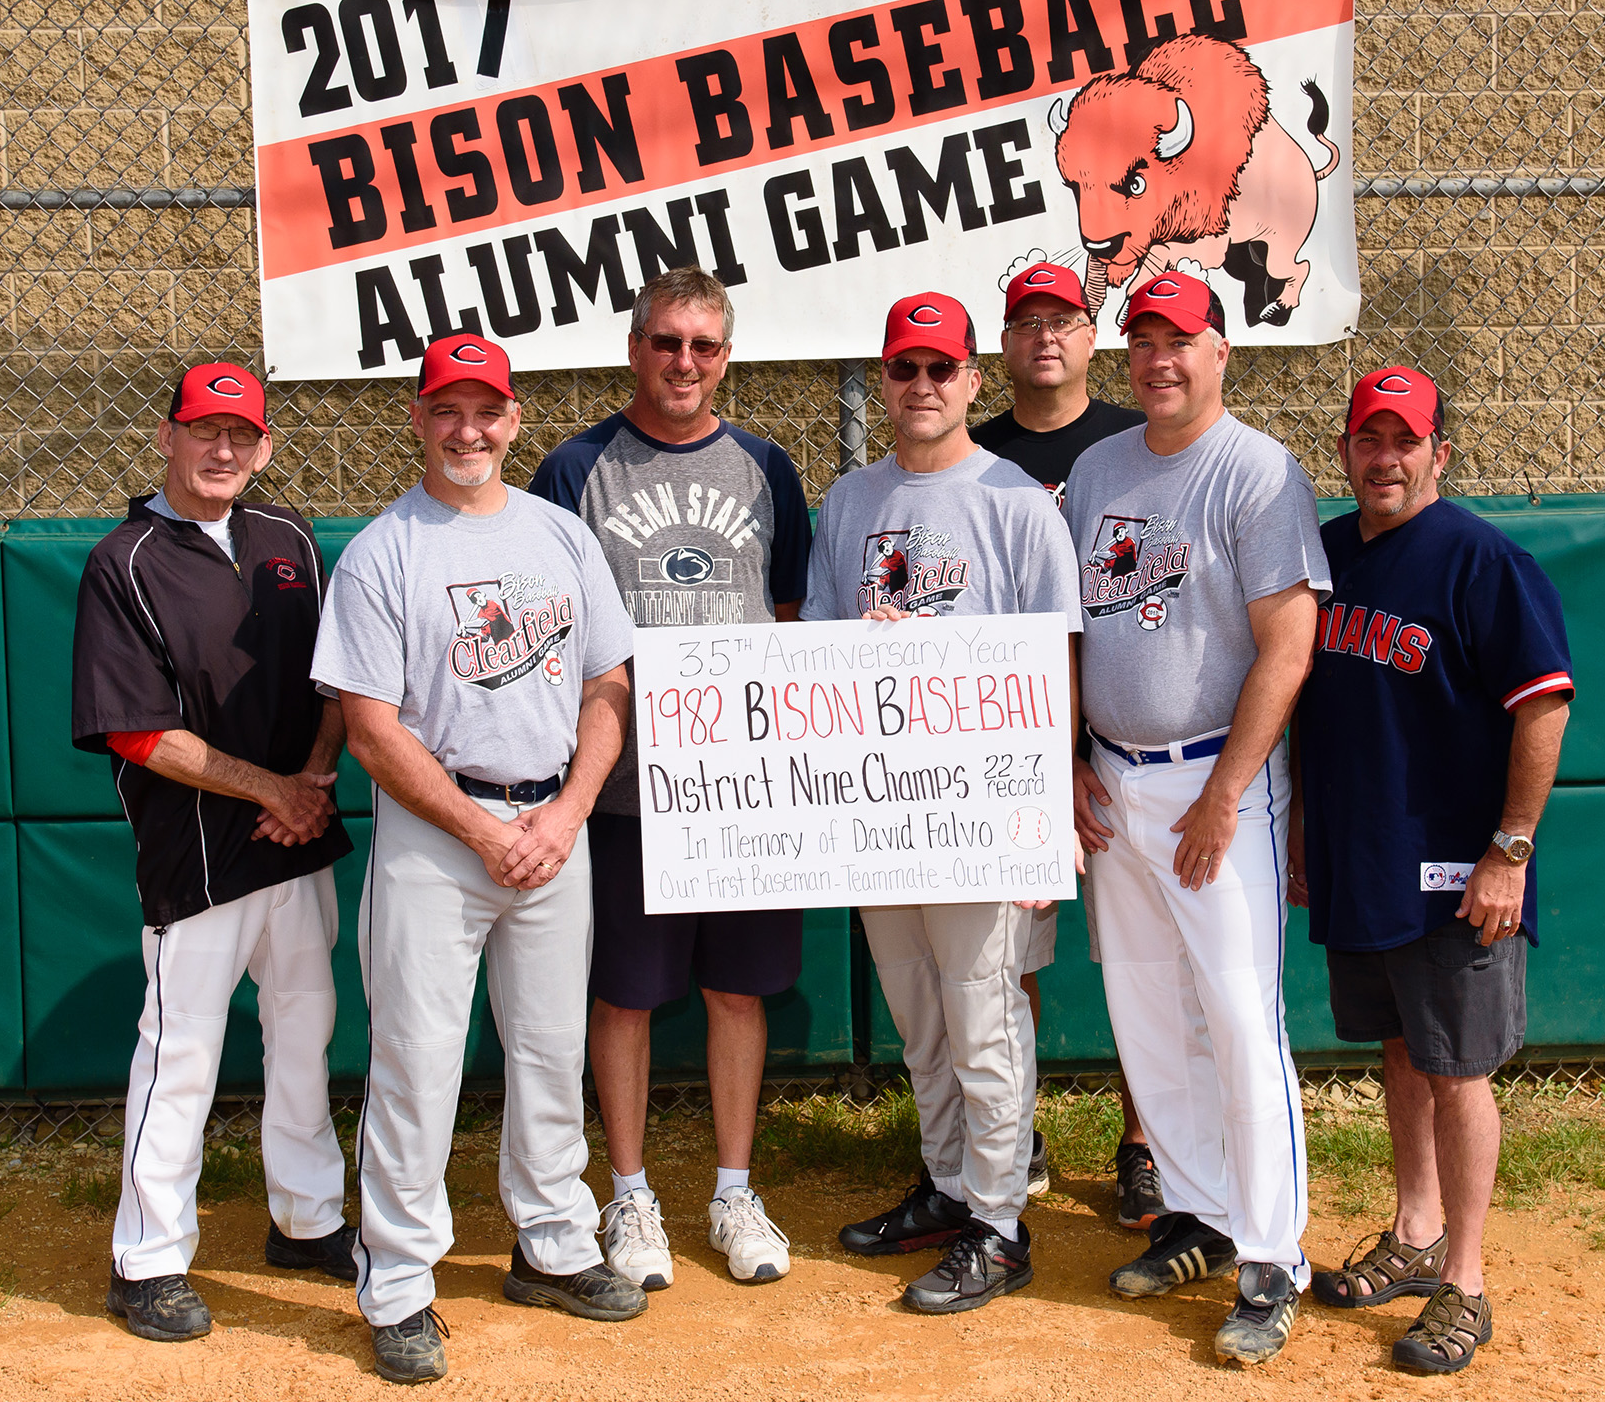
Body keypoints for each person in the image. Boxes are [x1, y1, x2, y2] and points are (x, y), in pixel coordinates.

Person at [313, 334, 643, 1385]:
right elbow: (368, 725)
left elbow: (607, 688)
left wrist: (569, 813)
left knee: (549, 1052)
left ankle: (551, 1244)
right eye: (447, 410)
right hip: (437, 841)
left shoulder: (560, 535)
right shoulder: (385, 551)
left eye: (487, 410)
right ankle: (401, 1281)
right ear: (416, 416)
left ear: (513, 419)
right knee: (416, 1059)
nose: (469, 429)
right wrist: (481, 828)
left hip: (553, 828)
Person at [1063, 272, 1329, 1366]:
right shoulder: (1095, 469)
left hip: (1216, 777)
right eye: (1145, 340)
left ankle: (1275, 1258)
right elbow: (1073, 627)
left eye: (1182, 340)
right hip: (1115, 776)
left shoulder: (1257, 471)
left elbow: (1291, 643)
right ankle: (1202, 1214)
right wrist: (1069, 751)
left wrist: (1230, 790)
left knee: (1235, 1015)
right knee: (1146, 1014)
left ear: (1222, 351)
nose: (1160, 359)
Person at [528, 266, 810, 1290]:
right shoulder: (574, 469)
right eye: (666, 342)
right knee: (629, 996)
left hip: (737, 789)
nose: (684, 362)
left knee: (737, 990)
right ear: (634, 348)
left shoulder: (767, 469)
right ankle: (631, 1193)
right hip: (621, 791)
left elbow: (786, 622)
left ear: (726, 357)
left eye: (704, 345)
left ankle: (735, 1190)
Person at [1291, 366, 1573, 1375]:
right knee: (1403, 1052)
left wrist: (1509, 850)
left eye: (1406, 441)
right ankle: (1414, 1233)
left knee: (1457, 1068)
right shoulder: (1325, 557)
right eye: (1371, 440)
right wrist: (1302, 837)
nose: (1387, 458)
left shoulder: (1480, 561)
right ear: (1346, 452)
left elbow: (1544, 705)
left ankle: (1465, 1281)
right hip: (1363, 858)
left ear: (1439, 454)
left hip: (1459, 868)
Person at [806, 291, 1082, 1315]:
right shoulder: (848, 503)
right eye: (904, 368)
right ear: (885, 381)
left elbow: (1055, 662)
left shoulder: (1015, 502)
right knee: (920, 1015)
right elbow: (820, 653)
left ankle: (1002, 1228)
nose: (922, 386)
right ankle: (949, 1184)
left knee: (983, 1018)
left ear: (974, 379)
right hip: (886, 804)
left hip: (978, 808)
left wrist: (1044, 816)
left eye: (941, 368)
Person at [71, 361, 356, 1343]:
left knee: (305, 1035)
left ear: (265, 444)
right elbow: (136, 733)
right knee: (181, 1057)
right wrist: (271, 789)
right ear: (168, 436)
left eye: (241, 433)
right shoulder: (126, 559)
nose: (223, 449)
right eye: (204, 431)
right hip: (195, 850)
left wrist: (311, 783)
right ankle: (146, 1261)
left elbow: (337, 680)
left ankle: (307, 1219)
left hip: (300, 836)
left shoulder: (288, 536)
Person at [971, 259, 1163, 1227]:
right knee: (1014, 954)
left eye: (1066, 318)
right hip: (1011, 731)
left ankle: (1144, 1140)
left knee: (1135, 953)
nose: (1046, 335)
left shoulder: (1136, 444)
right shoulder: (976, 454)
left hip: (1122, 727)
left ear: (1096, 339)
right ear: (1002, 347)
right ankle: (1019, 1132)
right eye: (1027, 320)